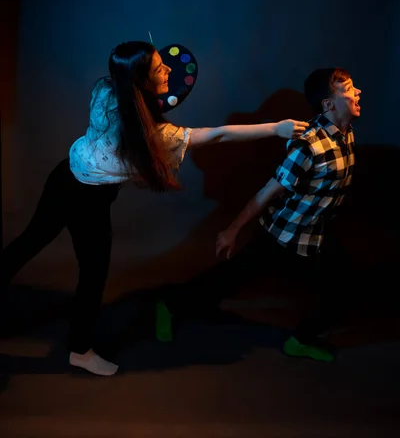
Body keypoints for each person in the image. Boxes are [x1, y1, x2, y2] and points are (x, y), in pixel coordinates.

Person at [0, 41, 308, 376]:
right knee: (92, 274)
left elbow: (135, 100)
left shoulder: (105, 89)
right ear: (141, 81)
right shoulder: (154, 136)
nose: (168, 72)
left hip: (63, 177)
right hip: (87, 200)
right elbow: (217, 136)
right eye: (160, 69)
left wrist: (152, 91)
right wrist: (274, 128)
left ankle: (76, 344)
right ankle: (79, 351)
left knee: (29, 242)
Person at [161, 67, 360, 362]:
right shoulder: (308, 145)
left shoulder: (346, 133)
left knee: (346, 287)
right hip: (283, 235)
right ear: (328, 104)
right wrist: (232, 230)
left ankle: (300, 340)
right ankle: (169, 305)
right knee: (229, 279)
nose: (358, 92)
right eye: (349, 90)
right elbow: (268, 191)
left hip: (315, 234)